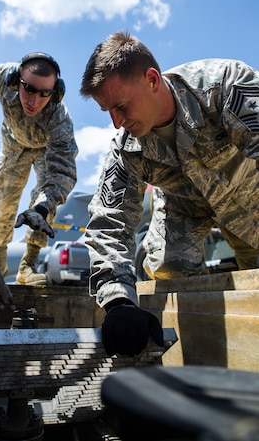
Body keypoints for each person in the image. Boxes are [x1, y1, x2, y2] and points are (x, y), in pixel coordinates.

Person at [80, 31, 259, 357]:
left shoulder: (224, 85)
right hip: (183, 206)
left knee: (255, 281)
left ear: (151, 80)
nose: (116, 123)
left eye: (120, 106)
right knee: (167, 267)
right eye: (107, 111)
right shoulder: (126, 149)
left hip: (250, 199)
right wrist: (118, 301)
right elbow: (110, 221)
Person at [0, 52, 78, 285]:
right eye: (29, 89)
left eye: (44, 94)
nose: (34, 102)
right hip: (14, 144)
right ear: (16, 80)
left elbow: (61, 171)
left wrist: (42, 208)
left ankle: (27, 266)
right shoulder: (3, 78)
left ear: (55, 92)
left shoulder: (59, 119)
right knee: (4, 200)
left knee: (44, 204)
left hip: (45, 149)